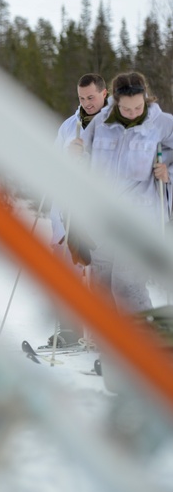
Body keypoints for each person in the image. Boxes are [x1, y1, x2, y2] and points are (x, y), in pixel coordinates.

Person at [76, 71, 173, 314]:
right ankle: (112, 344)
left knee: (126, 283)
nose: (133, 113)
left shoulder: (162, 123)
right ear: (117, 102)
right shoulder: (101, 123)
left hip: (140, 216)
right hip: (105, 216)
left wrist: (168, 170)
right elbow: (84, 156)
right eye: (127, 109)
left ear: (146, 98)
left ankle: (144, 343)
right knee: (102, 282)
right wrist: (75, 153)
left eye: (138, 107)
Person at [45, 73, 108, 346]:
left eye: (91, 97)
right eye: (82, 98)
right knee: (67, 272)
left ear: (104, 94)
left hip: (101, 210)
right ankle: (69, 331)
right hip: (70, 209)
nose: (86, 103)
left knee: (102, 275)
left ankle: (104, 336)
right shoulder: (69, 126)